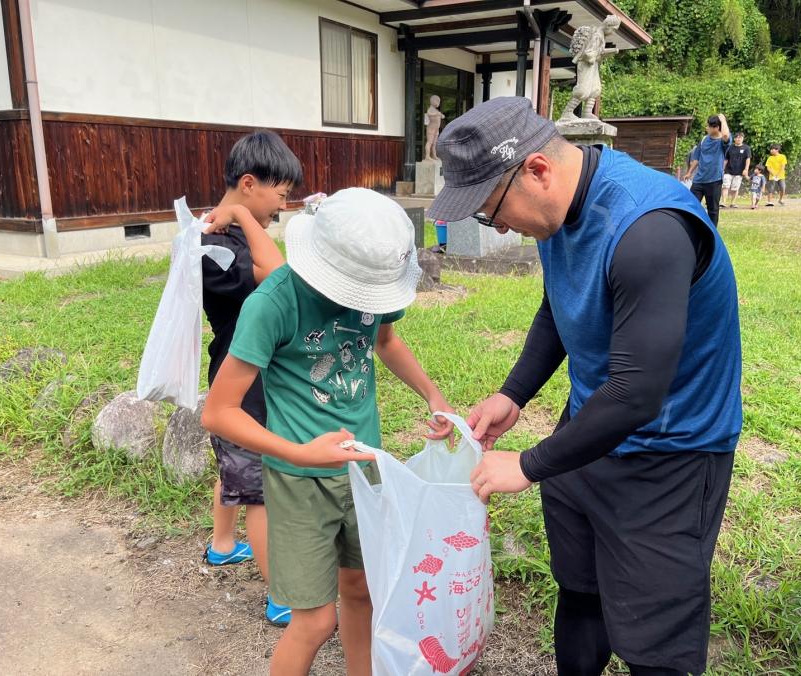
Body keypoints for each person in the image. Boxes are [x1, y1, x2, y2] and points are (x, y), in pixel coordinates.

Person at [428, 97, 742, 676]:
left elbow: (637, 393)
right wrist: (514, 393)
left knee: (656, 640)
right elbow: (559, 304)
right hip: (588, 428)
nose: (499, 226)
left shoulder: (649, 230)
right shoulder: (557, 208)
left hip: (670, 453)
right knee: (579, 589)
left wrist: (529, 465)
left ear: (536, 170)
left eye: (492, 212)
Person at [201, 187, 454, 676]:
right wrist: (299, 453)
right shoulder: (273, 303)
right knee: (315, 621)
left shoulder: (374, 286)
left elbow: (385, 340)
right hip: (300, 482)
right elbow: (219, 412)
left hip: (364, 470)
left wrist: (433, 394)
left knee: (362, 590)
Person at [199, 130, 301, 626]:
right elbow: (280, 277)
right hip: (240, 382)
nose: (282, 206)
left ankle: (222, 545)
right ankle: (281, 595)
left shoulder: (229, 234)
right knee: (259, 487)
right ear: (247, 183)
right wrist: (240, 215)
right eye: (280, 194)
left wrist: (242, 217)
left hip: (240, 375)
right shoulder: (214, 245)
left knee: (235, 467)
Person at [683, 114, 731, 226]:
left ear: (717, 127)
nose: (707, 128)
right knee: (691, 205)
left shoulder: (722, 142)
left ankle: (712, 232)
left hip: (714, 181)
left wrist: (723, 119)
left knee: (713, 210)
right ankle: (691, 229)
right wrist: (689, 172)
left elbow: (725, 135)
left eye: (709, 126)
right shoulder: (704, 139)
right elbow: (696, 158)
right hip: (699, 180)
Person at [721, 131, 751, 208]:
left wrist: (746, 169)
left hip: (739, 171)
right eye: (737, 137)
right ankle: (723, 202)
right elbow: (726, 159)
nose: (738, 139)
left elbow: (748, 159)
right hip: (728, 170)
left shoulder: (746, 148)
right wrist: (722, 169)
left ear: (743, 139)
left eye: (740, 137)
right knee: (725, 186)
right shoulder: (730, 147)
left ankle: (733, 203)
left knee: (735, 188)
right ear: (734, 139)